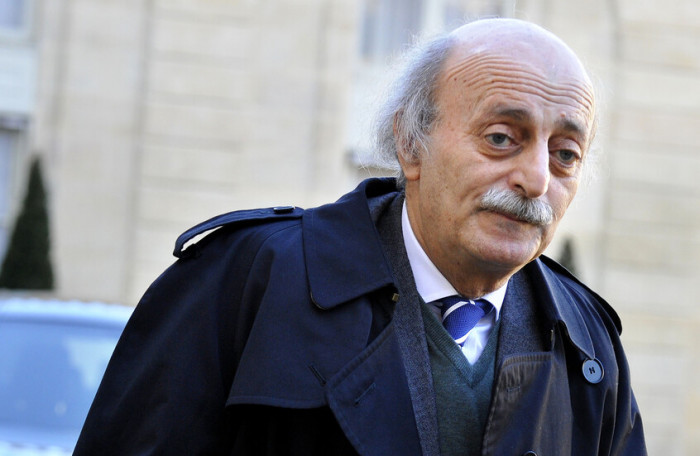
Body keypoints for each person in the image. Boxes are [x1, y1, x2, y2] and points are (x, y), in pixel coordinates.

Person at [75, 18, 646, 456]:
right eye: (501, 138)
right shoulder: (247, 280)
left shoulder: (590, 344)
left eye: (565, 154)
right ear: (410, 144)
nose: (537, 179)